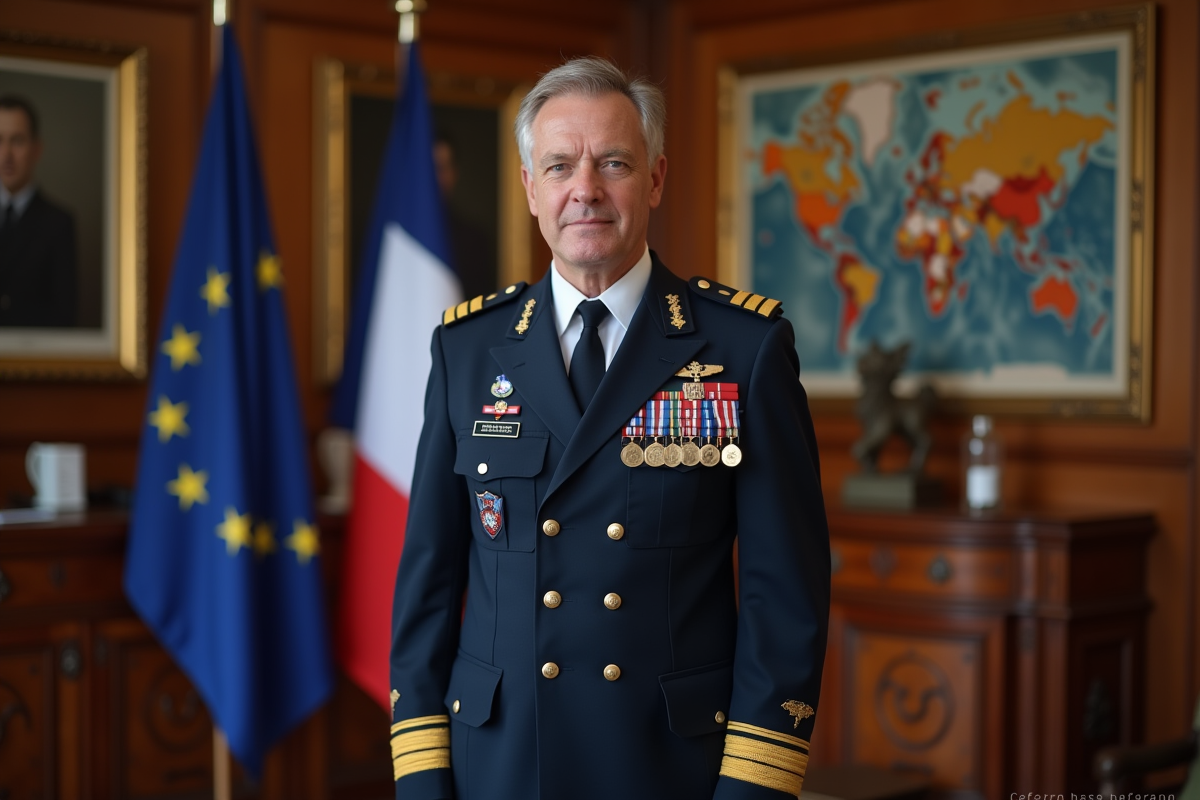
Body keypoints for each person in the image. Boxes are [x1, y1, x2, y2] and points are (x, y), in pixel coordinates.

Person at [389, 57, 829, 800]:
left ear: (655, 179)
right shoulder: (466, 350)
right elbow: (428, 586)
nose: (584, 190)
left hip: (668, 769)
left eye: (613, 163)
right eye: (559, 166)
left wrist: (753, 789)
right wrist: (424, 780)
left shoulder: (741, 350)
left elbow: (784, 595)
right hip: (500, 766)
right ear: (531, 188)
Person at [0, 94, 78, 327]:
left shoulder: (59, 223)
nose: (6, 155)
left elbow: (64, 316)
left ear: (36, 149)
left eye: (17, 141)